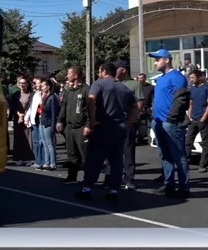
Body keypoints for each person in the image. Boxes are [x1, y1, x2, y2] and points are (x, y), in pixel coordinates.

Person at [75, 62, 138, 202]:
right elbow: (136, 106)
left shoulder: (99, 84)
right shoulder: (124, 87)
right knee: (116, 161)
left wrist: (92, 121)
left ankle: (86, 189)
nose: (98, 73)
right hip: (119, 128)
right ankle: (113, 190)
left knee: (94, 160)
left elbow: (91, 101)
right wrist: (128, 122)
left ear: (103, 71)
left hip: (103, 126)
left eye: (99, 71)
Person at [148, 49, 191, 199]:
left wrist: (170, 119)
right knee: (165, 155)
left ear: (166, 60)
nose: (155, 62)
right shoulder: (160, 79)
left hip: (171, 123)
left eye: (157, 59)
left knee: (178, 155)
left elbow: (181, 100)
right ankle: (169, 185)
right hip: (158, 122)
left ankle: (184, 188)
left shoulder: (177, 77)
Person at [101, 59, 144, 191]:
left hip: (126, 122)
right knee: (110, 151)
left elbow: (139, 104)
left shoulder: (134, 84)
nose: (114, 71)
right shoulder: (112, 83)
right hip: (111, 122)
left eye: (117, 68)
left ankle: (129, 179)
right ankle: (109, 177)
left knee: (128, 151)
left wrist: (130, 120)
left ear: (123, 70)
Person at [57, 65, 89, 184]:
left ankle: (88, 179)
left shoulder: (86, 89)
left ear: (75, 75)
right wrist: (59, 120)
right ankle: (72, 177)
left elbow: (90, 109)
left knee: (85, 155)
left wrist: (88, 125)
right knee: (71, 153)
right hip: (70, 126)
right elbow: (63, 106)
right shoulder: (69, 91)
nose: (67, 76)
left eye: (69, 74)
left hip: (81, 127)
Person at [185, 70, 208, 173]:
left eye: (192, 77)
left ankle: (202, 165)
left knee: (205, 143)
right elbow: (191, 104)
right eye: (190, 78)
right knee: (188, 142)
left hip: (203, 120)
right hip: (193, 120)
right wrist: (190, 116)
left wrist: (203, 118)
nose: (191, 79)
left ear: (198, 77)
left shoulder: (206, 88)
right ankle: (186, 163)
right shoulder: (192, 89)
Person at [9, 76, 35, 166]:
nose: (22, 85)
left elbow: (32, 107)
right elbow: (13, 106)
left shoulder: (31, 94)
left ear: (28, 84)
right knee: (18, 139)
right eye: (20, 83)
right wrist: (19, 114)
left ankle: (28, 158)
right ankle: (19, 158)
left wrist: (26, 116)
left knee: (28, 139)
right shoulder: (16, 94)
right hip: (18, 119)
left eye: (24, 83)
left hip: (28, 119)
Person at [38, 79, 60, 171]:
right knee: (44, 143)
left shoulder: (52, 97)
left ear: (48, 86)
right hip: (42, 122)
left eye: (43, 86)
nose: (41, 87)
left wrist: (53, 126)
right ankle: (46, 162)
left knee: (50, 144)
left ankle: (53, 164)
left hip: (48, 122)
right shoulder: (45, 96)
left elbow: (54, 112)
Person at [24, 77, 44, 168]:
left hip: (41, 119)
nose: (37, 85)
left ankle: (43, 161)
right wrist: (26, 117)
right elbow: (31, 106)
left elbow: (42, 105)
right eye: (35, 83)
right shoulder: (34, 93)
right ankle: (37, 161)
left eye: (38, 83)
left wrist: (40, 96)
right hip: (33, 119)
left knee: (42, 142)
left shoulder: (45, 94)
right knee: (35, 141)